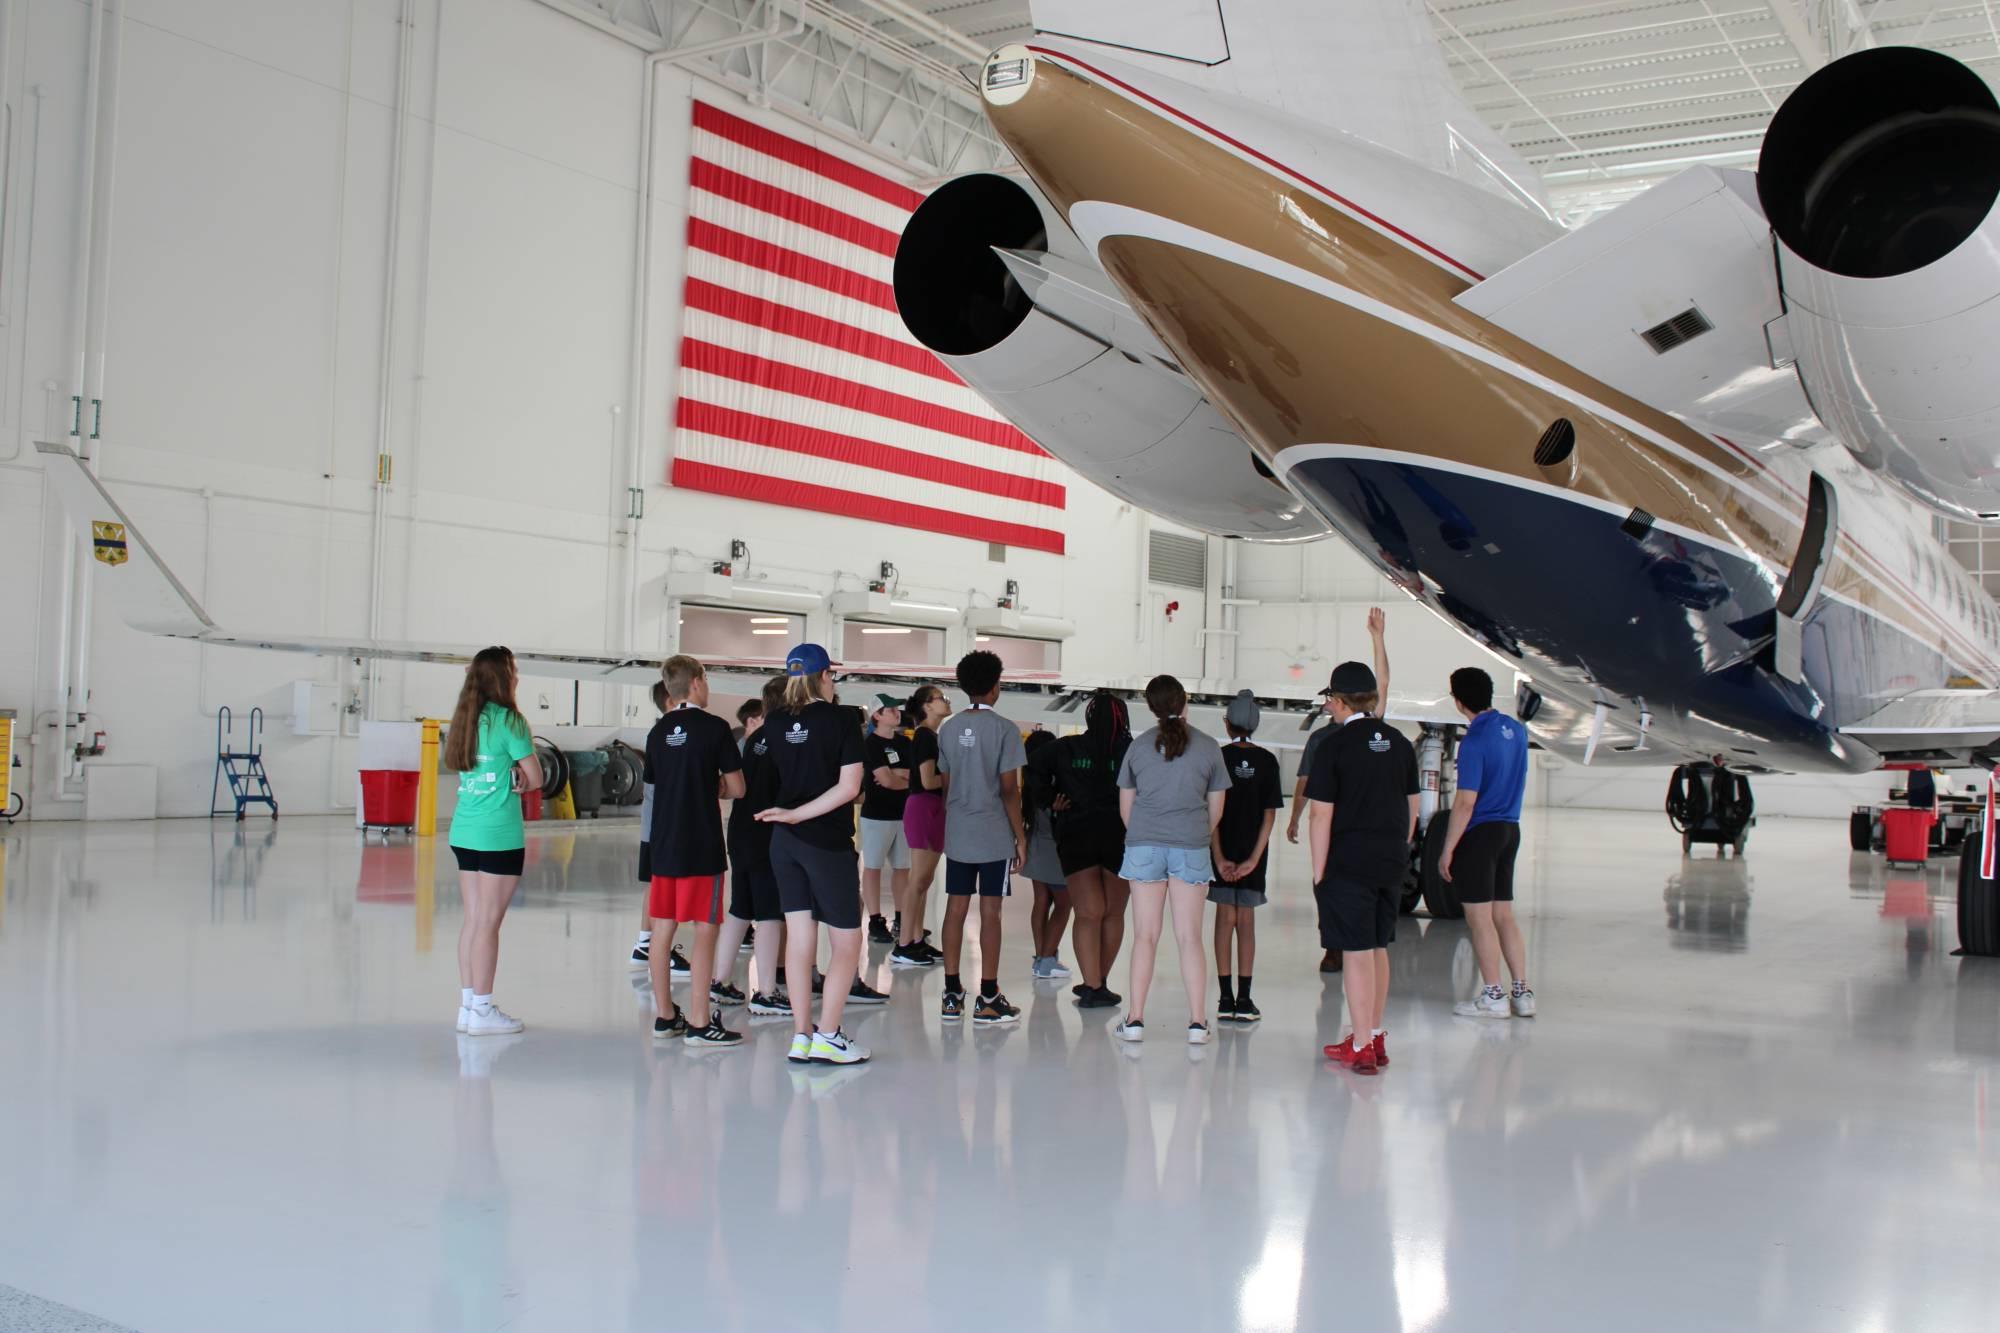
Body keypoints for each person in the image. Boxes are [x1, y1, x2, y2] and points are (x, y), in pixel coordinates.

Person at [756, 644, 871, 1065]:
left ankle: (801, 1036)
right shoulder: (841, 719)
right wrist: (798, 815)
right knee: (846, 940)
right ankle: (828, 1035)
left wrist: (787, 816)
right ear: (825, 676)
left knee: (800, 938)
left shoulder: (773, 721)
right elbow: (849, 788)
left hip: (784, 844)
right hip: (825, 841)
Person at [1310, 660, 1419, 1076]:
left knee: (1354, 954)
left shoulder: (1333, 747)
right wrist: (1399, 847)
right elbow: (1413, 806)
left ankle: (1359, 1047)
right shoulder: (1400, 742)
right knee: (1377, 948)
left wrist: (1320, 872)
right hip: (1391, 859)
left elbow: (1321, 815)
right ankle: (1372, 1034)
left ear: (1338, 702)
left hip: (1347, 862)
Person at [1115, 674, 1231, 1045]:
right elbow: (1216, 811)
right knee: (1189, 938)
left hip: (1144, 845)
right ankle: (1197, 1023)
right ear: (1185, 702)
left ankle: (1134, 1020)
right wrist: (1192, 834)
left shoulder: (1138, 747)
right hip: (1191, 846)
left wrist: (1148, 835)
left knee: (1145, 936)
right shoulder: (1210, 747)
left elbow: (1126, 809)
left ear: (1150, 707)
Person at [643, 655, 746, 1048]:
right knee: (705, 930)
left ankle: (665, 1015)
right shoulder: (715, 729)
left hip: (663, 843)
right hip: (701, 844)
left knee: (662, 929)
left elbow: (655, 781)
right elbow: (737, 788)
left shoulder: (656, 733)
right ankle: (702, 1022)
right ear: (698, 682)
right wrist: (716, 785)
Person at [446, 647, 542, 1036]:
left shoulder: (464, 720)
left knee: (473, 921)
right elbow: (535, 777)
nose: (517, 676)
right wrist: (520, 776)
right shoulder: (510, 721)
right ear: (502, 677)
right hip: (498, 835)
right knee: (488, 924)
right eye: (513, 670)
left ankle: (469, 1006)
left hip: (464, 832)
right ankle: (483, 1010)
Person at [1288, 609, 1390, 972]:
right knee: (1334, 895)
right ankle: (1334, 947)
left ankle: (1350, 949)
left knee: (1337, 890)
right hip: (1346, 832)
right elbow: (1305, 782)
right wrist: (1295, 817)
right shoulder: (1324, 739)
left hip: (1343, 833)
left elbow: (1382, 683)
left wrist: (1377, 639)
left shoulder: (1359, 730)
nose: (1327, 703)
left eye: (1331, 697)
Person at [936, 650, 1029, 1026]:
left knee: (955, 909)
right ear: (995, 687)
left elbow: (945, 785)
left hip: (959, 830)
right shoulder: (1005, 729)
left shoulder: (949, 728)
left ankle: (952, 993)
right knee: (991, 912)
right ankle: (988, 996)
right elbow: (1010, 790)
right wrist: (1020, 836)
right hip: (993, 835)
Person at [1439, 666, 1534, 1019]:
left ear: (1457, 700)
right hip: (1510, 830)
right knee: (1503, 916)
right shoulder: (1516, 730)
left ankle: (1493, 995)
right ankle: (1522, 994)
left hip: (1481, 834)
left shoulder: (1475, 740)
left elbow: (1465, 802)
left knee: (1479, 918)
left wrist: (1447, 848)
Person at [1029, 690, 1132, 1007]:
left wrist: (1050, 799)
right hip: (1121, 837)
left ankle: (1090, 984)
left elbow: (1031, 770)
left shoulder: (1064, 748)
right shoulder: (1132, 750)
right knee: (1113, 913)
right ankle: (1101, 984)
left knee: (1088, 914)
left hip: (1077, 836)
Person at [716, 681, 789, 1017]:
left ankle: (720, 980)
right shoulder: (784, 737)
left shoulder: (756, 737)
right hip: (766, 832)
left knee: (740, 909)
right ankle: (767, 991)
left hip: (741, 829)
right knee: (770, 913)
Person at [1211, 690, 1282, 1023]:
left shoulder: (1217, 757)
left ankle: (1224, 999)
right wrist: (1254, 859)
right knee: (1247, 922)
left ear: (1227, 724)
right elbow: (1269, 815)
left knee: (1225, 920)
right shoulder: (1268, 761)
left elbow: (1211, 811)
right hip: (1254, 853)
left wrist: (1220, 856)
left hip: (1221, 850)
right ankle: (1245, 998)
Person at [628, 681, 688, 977]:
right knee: (658, 885)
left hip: (654, 824)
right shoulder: (666, 735)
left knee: (654, 884)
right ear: (669, 700)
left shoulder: (660, 733)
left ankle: (645, 944)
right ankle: (650, 946)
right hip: (659, 825)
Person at [892, 685, 951, 967]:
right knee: (918, 880)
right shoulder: (926, 737)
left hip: (932, 807)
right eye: (940, 698)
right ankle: (903, 944)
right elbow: (929, 781)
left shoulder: (932, 736)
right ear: (927, 706)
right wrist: (956, 777)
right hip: (924, 805)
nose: (946, 701)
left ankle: (916, 940)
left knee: (924, 881)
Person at [1021, 730, 1072, 979]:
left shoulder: (1029, 779)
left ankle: (1041, 956)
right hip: (1054, 850)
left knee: (1041, 902)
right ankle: (1047, 959)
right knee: (1064, 903)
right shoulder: (1053, 780)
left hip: (1035, 846)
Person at [860, 701, 912, 945]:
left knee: (903, 868)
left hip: (903, 814)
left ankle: (901, 916)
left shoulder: (905, 743)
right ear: (877, 715)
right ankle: (875, 920)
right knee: (873, 867)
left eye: (896, 709)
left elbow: (914, 775)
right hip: (876, 816)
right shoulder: (870, 744)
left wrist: (898, 775)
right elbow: (886, 781)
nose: (896, 713)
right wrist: (897, 776)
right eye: (890, 710)